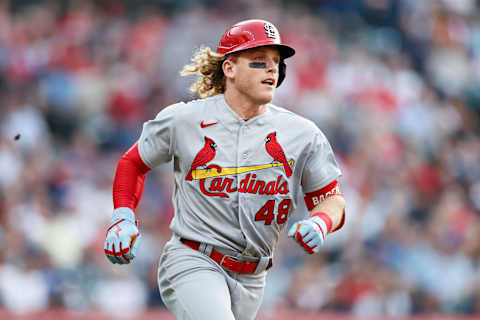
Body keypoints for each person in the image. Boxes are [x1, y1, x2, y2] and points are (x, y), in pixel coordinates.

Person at [104, 19, 346, 320]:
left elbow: (331, 198)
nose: (272, 69)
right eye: (259, 61)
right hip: (193, 259)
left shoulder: (302, 133)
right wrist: (122, 215)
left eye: (276, 62)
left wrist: (321, 222)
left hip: (254, 278)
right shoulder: (186, 119)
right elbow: (133, 162)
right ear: (229, 68)